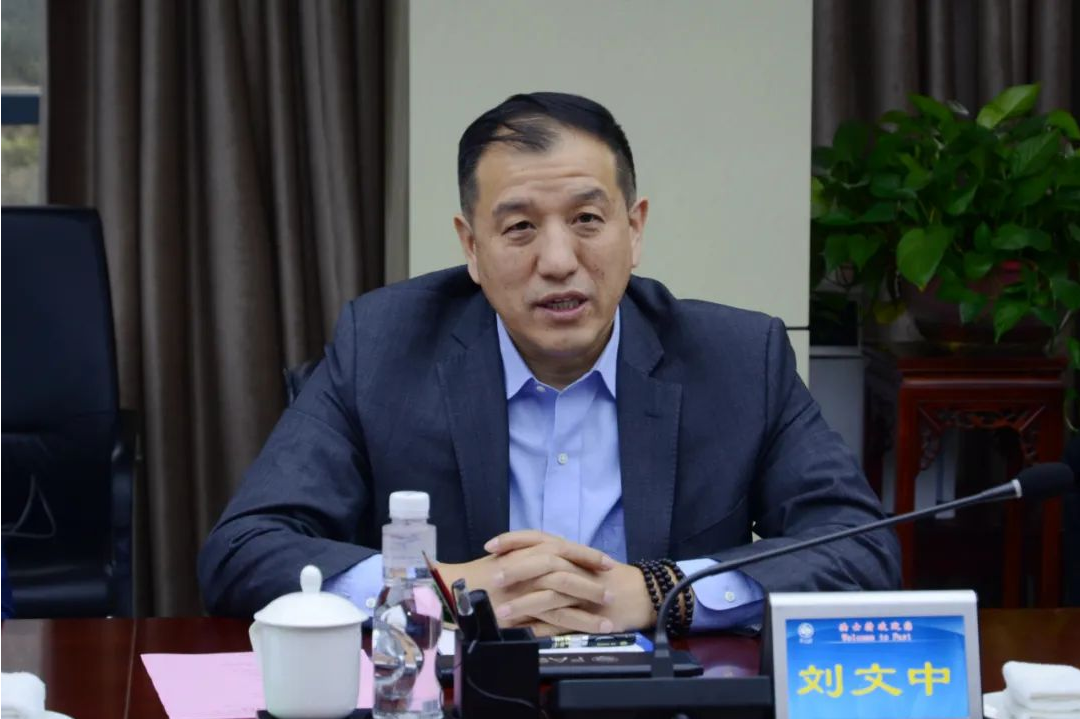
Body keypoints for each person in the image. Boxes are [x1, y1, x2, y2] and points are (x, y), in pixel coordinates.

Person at [199, 92, 900, 635]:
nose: (559, 260)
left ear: (634, 229)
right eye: (520, 227)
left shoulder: (739, 359)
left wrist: (663, 592)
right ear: (471, 247)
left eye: (588, 219)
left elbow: (861, 550)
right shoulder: (381, 347)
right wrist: (436, 590)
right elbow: (243, 550)